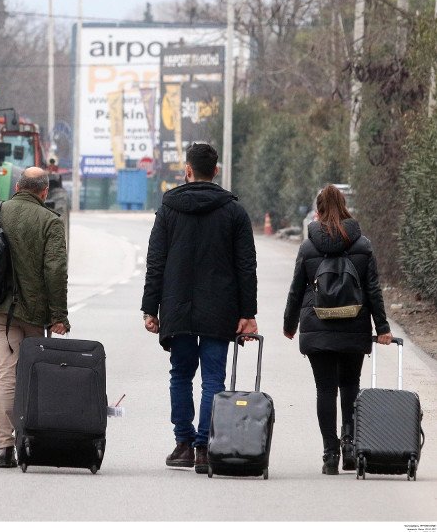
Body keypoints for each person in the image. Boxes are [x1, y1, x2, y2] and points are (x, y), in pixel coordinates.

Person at [141, 143, 258, 474]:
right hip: (220, 307)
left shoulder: (169, 208)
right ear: (216, 171)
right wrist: (247, 313)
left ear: (187, 171)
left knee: (180, 373)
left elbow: (156, 261)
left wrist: (151, 307)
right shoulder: (234, 211)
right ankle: (204, 448)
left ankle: (183, 444)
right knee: (213, 378)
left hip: (177, 305)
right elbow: (246, 265)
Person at [283, 184, 392, 475]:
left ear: (317, 211)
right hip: (354, 324)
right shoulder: (363, 245)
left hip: (317, 326)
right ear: (345, 208)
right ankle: (349, 444)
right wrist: (382, 327)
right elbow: (372, 290)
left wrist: (290, 324)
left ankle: (330, 453)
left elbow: (296, 290)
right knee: (350, 385)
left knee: (325, 388)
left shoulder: (308, 247)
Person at [0, 166, 69, 468]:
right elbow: (55, 270)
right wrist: (58, 316)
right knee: (33, 374)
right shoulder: (50, 222)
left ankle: (4, 446)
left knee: (5, 372)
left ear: (16, 187)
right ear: (44, 191)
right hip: (35, 313)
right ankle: (31, 439)